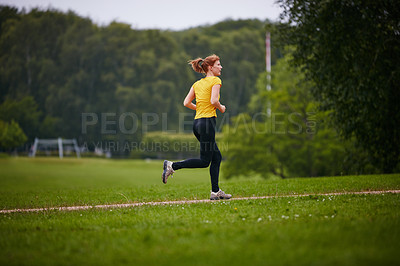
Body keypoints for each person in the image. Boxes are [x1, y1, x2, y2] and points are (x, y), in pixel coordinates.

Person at [162, 54, 232, 200]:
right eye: (218, 64)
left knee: (217, 157)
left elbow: (186, 103)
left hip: (197, 124)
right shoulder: (216, 80)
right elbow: (213, 100)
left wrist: (200, 108)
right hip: (207, 123)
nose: (221, 67)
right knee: (205, 161)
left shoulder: (197, 84)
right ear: (210, 67)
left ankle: (215, 191)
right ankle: (172, 166)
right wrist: (221, 107)